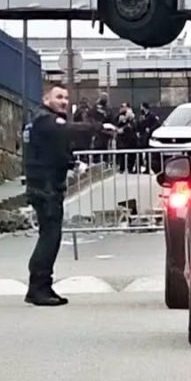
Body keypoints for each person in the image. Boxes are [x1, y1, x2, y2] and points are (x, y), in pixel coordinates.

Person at [23, 82, 116, 306]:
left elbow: (55, 149)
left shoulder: (40, 122)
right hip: (45, 188)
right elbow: (66, 130)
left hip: (45, 185)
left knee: (50, 236)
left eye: (66, 97)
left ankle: (42, 286)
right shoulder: (45, 120)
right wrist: (98, 127)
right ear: (46, 100)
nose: (64, 101)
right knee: (50, 237)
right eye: (58, 97)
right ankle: (38, 287)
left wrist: (72, 162)